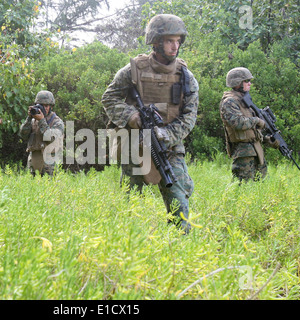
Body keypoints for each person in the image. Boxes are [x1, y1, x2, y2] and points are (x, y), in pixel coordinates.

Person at [101, 14, 199, 234]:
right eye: (169, 41)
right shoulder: (133, 70)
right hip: (135, 145)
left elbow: (189, 116)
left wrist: (166, 134)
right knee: (130, 202)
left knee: (179, 199)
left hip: (169, 147)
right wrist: (132, 117)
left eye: (178, 41)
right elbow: (109, 98)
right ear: (156, 41)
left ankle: (180, 248)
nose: (175, 46)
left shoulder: (185, 76)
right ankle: (125, 245)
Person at [219, 67, 280, 182]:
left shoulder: (243, 101)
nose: (250, 83)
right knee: (244, 188)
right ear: (237, 83)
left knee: (261, 188)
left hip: (256, 150)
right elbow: (237, 123)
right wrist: (257, 121)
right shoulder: (229, 101)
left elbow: (251, 131)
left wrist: (267, 139)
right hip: (243, 153)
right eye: (246, 81)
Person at [18, 90, 64, 176]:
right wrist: (29, 118)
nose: (44, 108)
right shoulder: (33, 121)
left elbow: (50, 138)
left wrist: (41, 120)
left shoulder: (57, 122)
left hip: (50, 164)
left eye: (46, 106)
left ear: (51, 106)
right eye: (40, 105)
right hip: (33, 163)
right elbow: (23, 135)